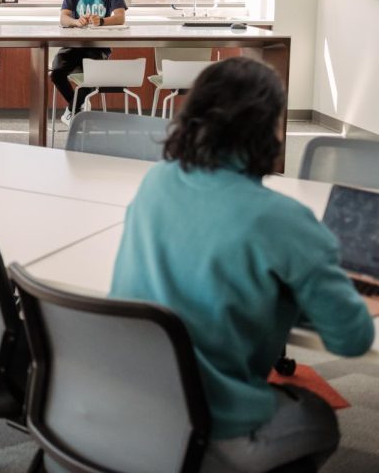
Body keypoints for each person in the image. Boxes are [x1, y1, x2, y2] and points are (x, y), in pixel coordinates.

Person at [110, 57, 374, 473]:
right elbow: (352, 340)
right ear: (270, 130)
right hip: (210, 420)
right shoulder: (284, 220)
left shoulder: (156, 181)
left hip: (123, 395)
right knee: (319, 418)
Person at [52, 0, 127, 125]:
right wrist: (76, 22)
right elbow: (64, 18)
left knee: (94, 76)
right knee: (56, 73)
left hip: (97, 47)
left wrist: (101, 21)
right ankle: (77, 109)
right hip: (73, 46)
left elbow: (120, 17)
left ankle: (72, 111)